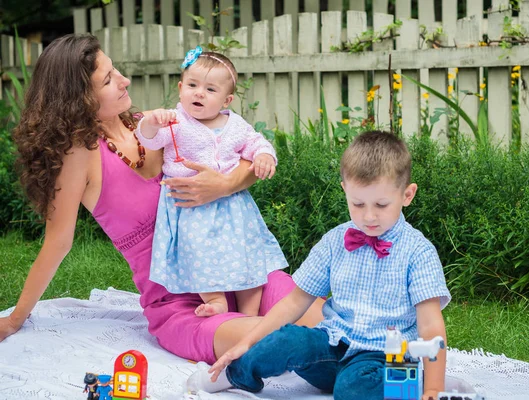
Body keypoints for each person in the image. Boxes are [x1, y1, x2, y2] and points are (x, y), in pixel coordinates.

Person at [0, 33, 323, 364]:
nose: (125, 81)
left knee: (332, 325)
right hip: (182, 303)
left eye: (116, 71)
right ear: (79, 97)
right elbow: (58, 242)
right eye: (110, 79)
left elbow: (248, 156)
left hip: (240, 271)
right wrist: (14, 319)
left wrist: (224, 185)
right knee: (286, 343)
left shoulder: (154, 127)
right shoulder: (80, 156)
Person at [207, 131, 451, 400]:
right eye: (358, 204)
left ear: (407, 195)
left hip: (386, 356)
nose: (369, 216)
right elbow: (294, 302)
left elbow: (430, 326)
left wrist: (434, 391)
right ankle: (236, 376)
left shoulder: (418, 251)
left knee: (354, 388)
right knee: (286, 340)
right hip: (335, 345)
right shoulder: (335, 241)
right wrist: (246, 343)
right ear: (345, 189)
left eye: (381, 205)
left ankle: (413, 383)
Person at [135, 47, 286, 318]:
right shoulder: (175, 121)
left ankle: (250, 313)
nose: (199, 93)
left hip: (233, 208)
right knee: (199, 253)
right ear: (181, 88)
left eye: (210, 89)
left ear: (226, 100)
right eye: (192, 85)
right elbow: (149, 140)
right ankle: (216, 300)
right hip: (192, 208)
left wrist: (264, 156)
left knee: (246, 255)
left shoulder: (236, 126)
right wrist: (151, 123)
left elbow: (256, 142)